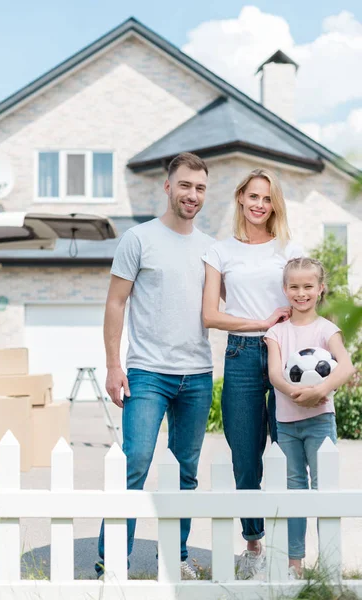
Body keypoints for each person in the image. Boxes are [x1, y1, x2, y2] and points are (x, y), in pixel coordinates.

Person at [95, 152, 214, 580]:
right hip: (147, 371)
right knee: (137, 461)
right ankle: (112, 558)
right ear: (168, 187)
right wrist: (113, 365)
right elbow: (115, 302)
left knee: (186, 471)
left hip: (198, 374)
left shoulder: (210, 247)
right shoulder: (138, 239)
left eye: (200, 188)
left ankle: (176, 557)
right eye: (185, 185)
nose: (192, 195)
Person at [202, 168, 303, 579]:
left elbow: (305, 295)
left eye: (267, 198)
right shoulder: (219, 251)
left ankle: (291, 555)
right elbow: (211, 314)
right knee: (246, 456)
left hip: (285, 353)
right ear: (240, 197)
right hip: (242, 356)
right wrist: (261, 321)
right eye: (253, 196)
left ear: (273, 204)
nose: (260, 204)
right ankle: (254, 545)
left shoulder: (288, 248)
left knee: (289, 455)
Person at [264, 257, 355, 579]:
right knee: (294, 492)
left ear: (320, 289)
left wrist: (322, 390)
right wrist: (292, 391)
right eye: (294, 287)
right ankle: (295, 564)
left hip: (320, 420)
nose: (301, 293)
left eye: (307, 286)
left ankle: (330, 563)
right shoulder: (276, 332)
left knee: (324, 488)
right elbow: (275, 373)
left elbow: (346, 365)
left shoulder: (326, 329)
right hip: (286, 423)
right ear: (285, 289)